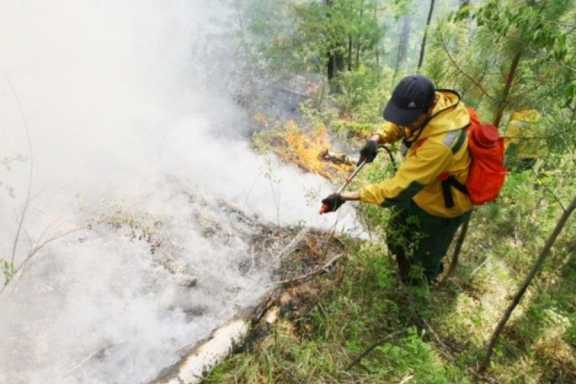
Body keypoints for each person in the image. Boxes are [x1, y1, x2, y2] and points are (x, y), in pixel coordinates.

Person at [321, 75, 472, 284]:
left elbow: (397, 190)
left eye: (409, 118)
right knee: (395, 235)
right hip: (419, 190)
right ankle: (401, 269)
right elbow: (404, 125)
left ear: (429, 108)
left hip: (441, 210)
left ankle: (419, 290)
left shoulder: (441, 143)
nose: (404, 122)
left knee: (423, 263)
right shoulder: (428, 106)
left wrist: (345, 196)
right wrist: (376, 138)